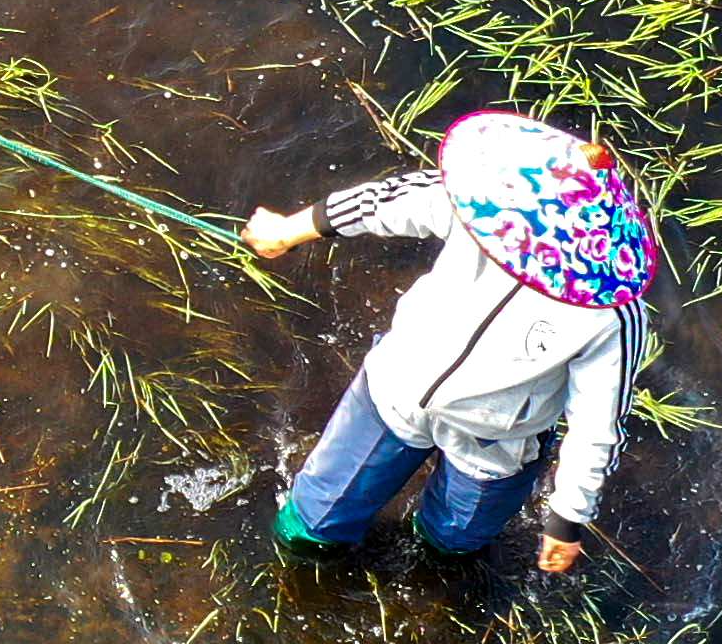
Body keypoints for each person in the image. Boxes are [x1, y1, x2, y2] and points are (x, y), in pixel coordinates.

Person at [243, 110, 657, 573]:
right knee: (313, 526)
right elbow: (384, 201)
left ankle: (438, 559)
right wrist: (288, 231)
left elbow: (597, 424)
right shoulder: (486, 202)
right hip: (394, 391)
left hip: (496, 441)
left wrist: (567, 519)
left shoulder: (610, 310)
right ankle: (301, 568)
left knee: (452, 545)